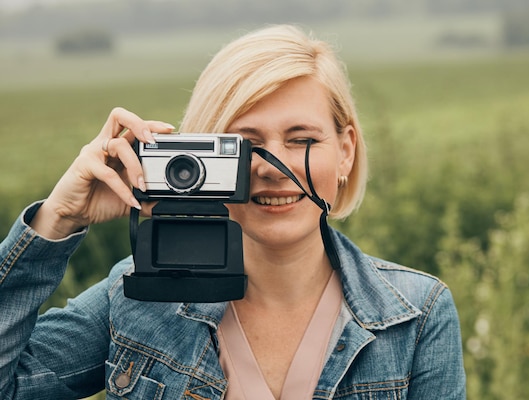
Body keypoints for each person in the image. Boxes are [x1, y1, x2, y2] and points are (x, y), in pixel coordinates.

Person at [0, 25, 466, 399]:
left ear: (345, 153)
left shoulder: (415, 318)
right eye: (245, 146)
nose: (271, 169)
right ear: (198, 157)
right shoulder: (136, 296)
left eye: (302, 140)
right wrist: (57, 220)